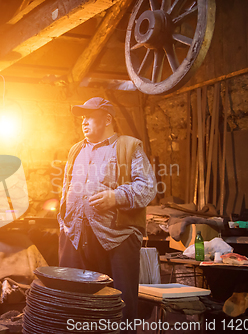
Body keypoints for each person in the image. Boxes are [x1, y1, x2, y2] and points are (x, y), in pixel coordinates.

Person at [57, 97, 157, 328]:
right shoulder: (75, 150)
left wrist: (115, 197)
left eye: (90, 116)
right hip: (75, 233)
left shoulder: (129, 146)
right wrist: (64, 220)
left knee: (118, 302)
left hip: (117, 236)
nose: (84, 121)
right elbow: (66, 186)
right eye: (82, 117)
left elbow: (147, 187)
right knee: (72, 299)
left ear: (108, 119)